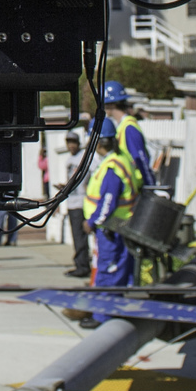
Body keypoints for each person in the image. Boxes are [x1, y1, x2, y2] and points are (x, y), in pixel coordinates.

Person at [82, 119, 142, 288]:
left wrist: (92, 222)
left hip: (111, 229)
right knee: (120, 274)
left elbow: (108, 202)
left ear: (98, 141)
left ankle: (103, 313)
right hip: (120, 226)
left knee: (109, 275)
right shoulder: (121, 158)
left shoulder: (112, 167)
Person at [46, 129, 91, 279]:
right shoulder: (69, 160)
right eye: (69, 143)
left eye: (74, 143)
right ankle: (80, 263)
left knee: (80, 236)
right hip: (72, 202)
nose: (71, 146)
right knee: (76, 236)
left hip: (81, 202)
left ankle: (83, 266)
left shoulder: (82, 159)